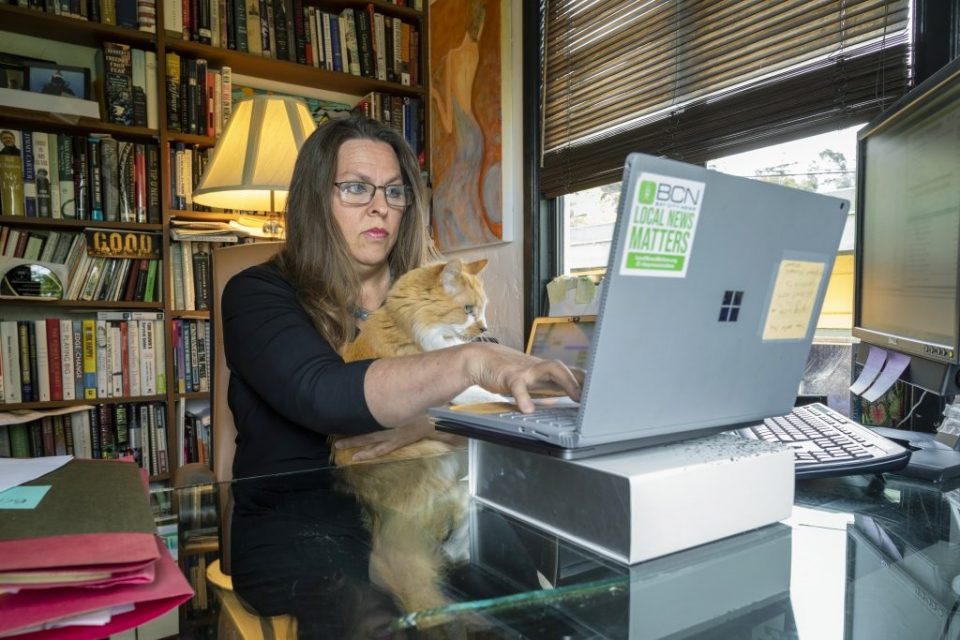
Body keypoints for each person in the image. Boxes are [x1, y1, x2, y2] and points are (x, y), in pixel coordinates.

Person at [221, 113, 582, 636]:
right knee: (378, 620)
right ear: (313, 199)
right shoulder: (256, 293)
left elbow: (492, 405)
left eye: (394, 192)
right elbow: (325, 396)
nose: (380, 207)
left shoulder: (428, 286)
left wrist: (428, 421)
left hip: (426, 503)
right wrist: (464, 369)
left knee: (540, 618)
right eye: (355, 188)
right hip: (304, 517)